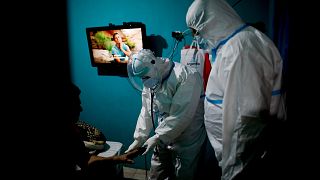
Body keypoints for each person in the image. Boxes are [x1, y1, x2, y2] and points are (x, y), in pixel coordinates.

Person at [185, 0, 287, 179]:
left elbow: (244, 118)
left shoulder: (241, 49)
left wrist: (233, 170)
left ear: (211, 22)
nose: (198, 39)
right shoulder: (234, 44)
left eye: (198, 32)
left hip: (239, 157)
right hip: (231, 151)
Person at [125, 49, 207, 180]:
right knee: (157, 168)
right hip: (163, 130)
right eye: (141, 78)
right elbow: (147, 110)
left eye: (145, 77)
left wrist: (158, 136)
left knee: (183, 172)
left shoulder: (187, 75)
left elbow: (181, 115)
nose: (144, 81)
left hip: (187, 134)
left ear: (154, 63)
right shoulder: (150, 76)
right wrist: (139, 138)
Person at [64, 82, 142, 178]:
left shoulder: (73, 131)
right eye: (76, 105)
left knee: (107, 169)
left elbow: (86, 160)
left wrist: (117, 159)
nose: (81, 109)